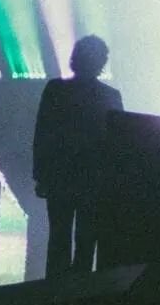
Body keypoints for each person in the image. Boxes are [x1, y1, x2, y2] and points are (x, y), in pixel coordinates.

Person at [32, 35, 123, 277]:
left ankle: (54, 290)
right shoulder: (110, 96)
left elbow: (43, 134)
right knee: (86, 241)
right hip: (93, 179)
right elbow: (118, 143)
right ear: (101, 62)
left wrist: (40, 174)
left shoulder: (56, 90)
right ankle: (81, 291)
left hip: (61, 176)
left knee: (59, 238)